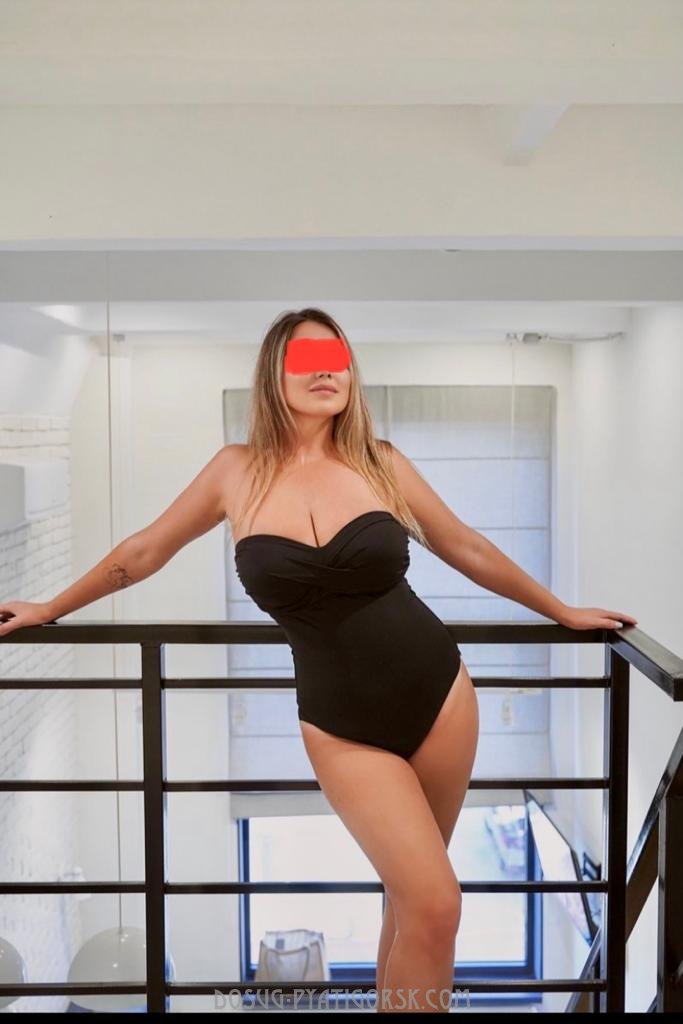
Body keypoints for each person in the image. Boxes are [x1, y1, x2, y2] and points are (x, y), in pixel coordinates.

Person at [0, 307, 637, 1014]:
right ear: (273, 373)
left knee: (412, 903)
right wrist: (52, 606)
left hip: (440, 697)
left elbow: (467, 547)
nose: (327, 371)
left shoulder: (381, 463)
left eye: (337, 359)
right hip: (341, 725)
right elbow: (146, 550)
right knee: (436, 903)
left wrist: (562, 610)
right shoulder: (234, 471)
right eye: (307, 360)